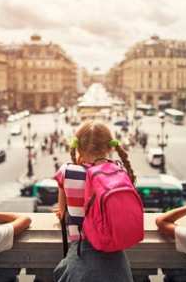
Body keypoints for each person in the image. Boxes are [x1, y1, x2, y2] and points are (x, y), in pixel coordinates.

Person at [53, 120, 135, 282]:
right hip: (117, 262)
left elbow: (62, 211)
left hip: (81, 258)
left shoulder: (67, 171)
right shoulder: (120, 171)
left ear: (77, 147)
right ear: (110, 148)